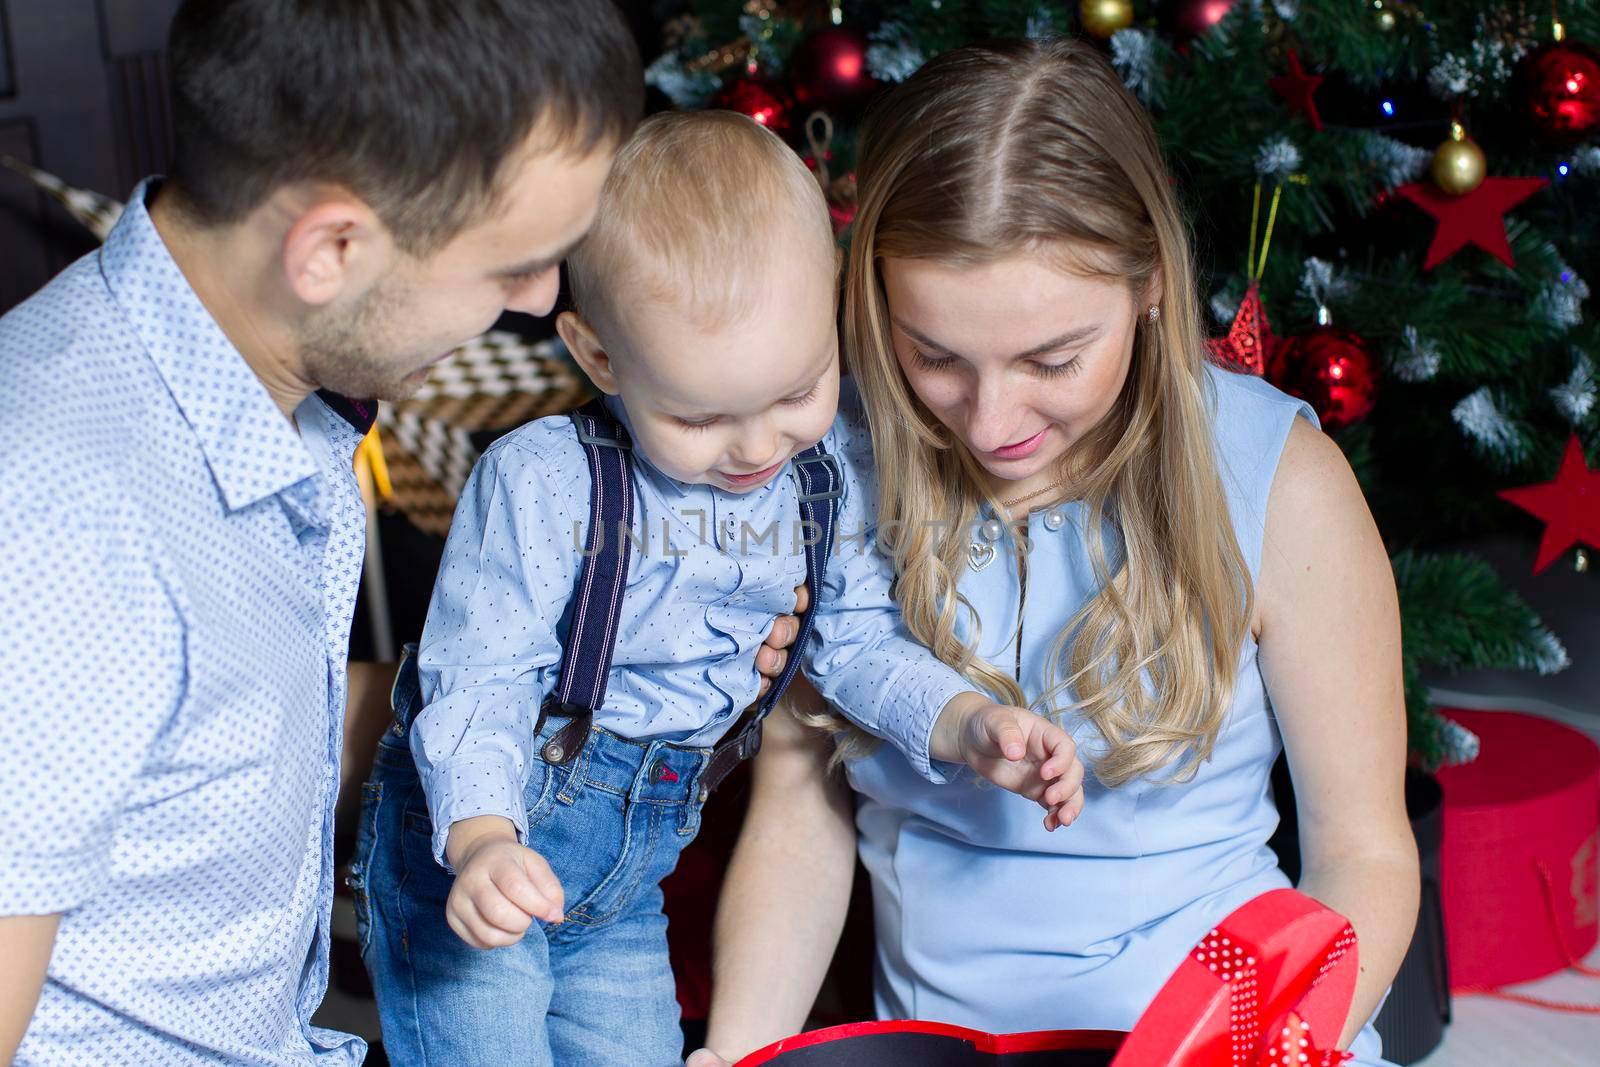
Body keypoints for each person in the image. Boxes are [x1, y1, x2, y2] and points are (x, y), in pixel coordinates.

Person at [689, 37, 1418, 1067]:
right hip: (942, 1044)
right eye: (934, 355)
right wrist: (742, 1049)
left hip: (1233, 1041)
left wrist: (1259, 1052)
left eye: (1052, 359)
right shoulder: (830, 471)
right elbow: (802, 817)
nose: (990, 422)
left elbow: (1362, 854)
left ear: (1149, 284)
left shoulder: (1278, 479)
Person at [354, 110, 1086, 1067]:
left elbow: (858, 646)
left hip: (630, 877)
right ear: (600, 356)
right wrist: (485, 839)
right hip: (483, 845)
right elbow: (480, 678)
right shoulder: (543, 482)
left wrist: (964, 721)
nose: (755, 448)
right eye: (699, 415)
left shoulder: (832, 470)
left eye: (795, 391)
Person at [0, 1, 645, 1062]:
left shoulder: (259, 379)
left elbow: (221, 735)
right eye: (510, 266)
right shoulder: (61, 517)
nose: (539, 303)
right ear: (331, 248)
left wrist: (578, 686)